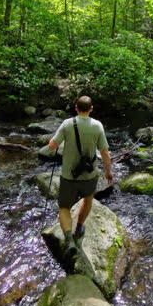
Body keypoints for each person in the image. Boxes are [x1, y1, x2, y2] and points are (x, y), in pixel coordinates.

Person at [48, 95, 113, 257]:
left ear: (76, 108)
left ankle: (69, 239)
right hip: (89, 175)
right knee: (88, 200)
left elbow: (52, 146)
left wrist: (54, 143)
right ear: (91, 109)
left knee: (64, 208)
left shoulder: (67, 124)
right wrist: (109, 172)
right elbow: (104, 152)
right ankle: (79, 228)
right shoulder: (97, 126)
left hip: (69, 175)